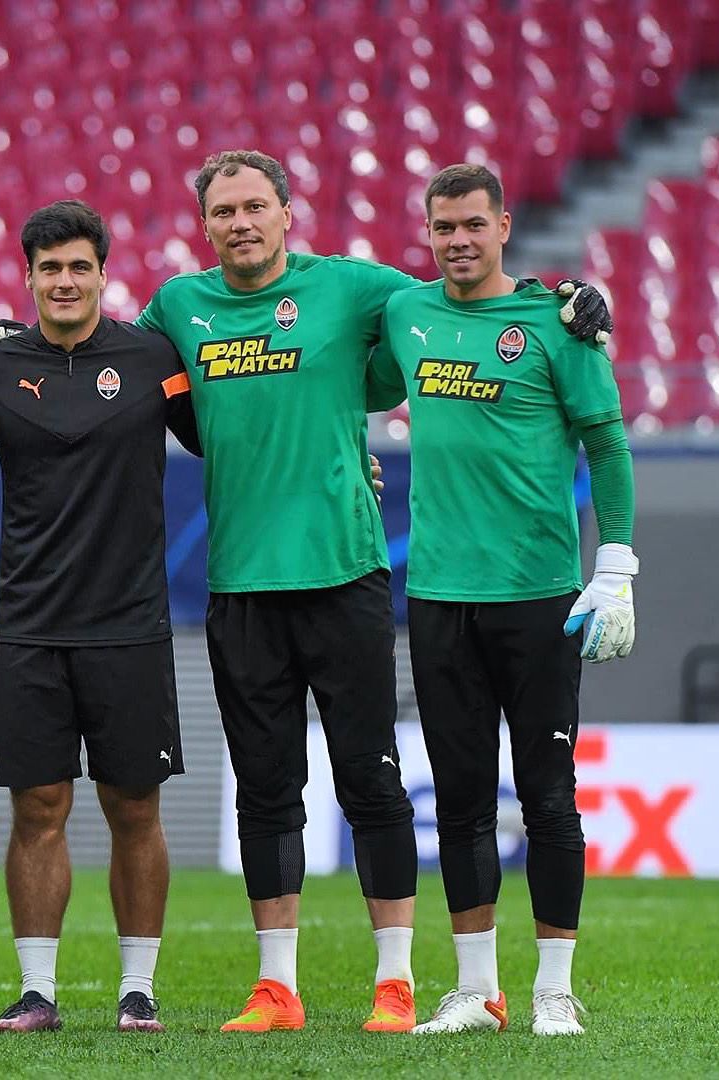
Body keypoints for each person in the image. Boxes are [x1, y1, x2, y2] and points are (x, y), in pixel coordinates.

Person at [130, 150, 615, 1033]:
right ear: (205, 226)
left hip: (349, 574)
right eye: (223, 211)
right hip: (239, 580)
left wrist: (565, 294)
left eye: (255, 206)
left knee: (373, 780)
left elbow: (467, 296)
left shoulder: (362, 291)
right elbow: (119, 371)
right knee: (264, 788)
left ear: (287, 211)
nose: (240, 222)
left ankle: (397, 983)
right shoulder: (177, 306)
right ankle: (277, 988)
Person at [366, 163, 637, 1038]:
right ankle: (477, 991)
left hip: (541, 596)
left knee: (549, 794)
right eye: (442, 227)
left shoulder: (559, 323)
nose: (456, 241)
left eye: (472, 226)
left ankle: (554, 988)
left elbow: (607, 440)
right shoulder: (407, 315)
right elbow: (335, 379)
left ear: (504, 225)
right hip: (440, 595)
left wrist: (618, 563)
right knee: (460, 799)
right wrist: (347, 451)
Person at [0, 200, 201, 1033]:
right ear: (30, 276)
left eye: (80, 266)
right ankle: (37, 991)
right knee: (37, 807)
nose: (66, 280)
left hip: (132, 625)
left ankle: (137, 990)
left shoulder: (154, 358)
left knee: (135, 808)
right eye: (50, 268)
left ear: (104, 273)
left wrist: (341, 450)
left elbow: (228, 436)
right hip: (31, 628)